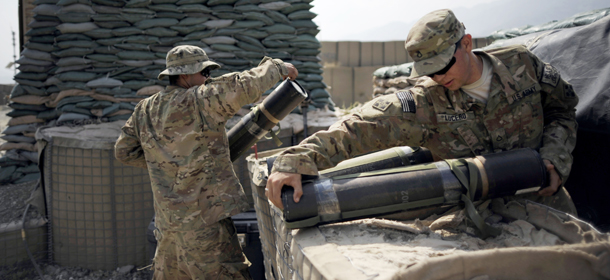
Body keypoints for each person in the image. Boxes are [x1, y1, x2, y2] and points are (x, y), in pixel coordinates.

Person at [266, 9, 579, 215]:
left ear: (467, 44)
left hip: (545, 202)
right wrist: (294, 161)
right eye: (430, 71)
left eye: (444, 66)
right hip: (480, 219)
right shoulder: (423, 101)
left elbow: (562, 111)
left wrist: (554, 156)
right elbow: (358, 127)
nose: (439, 77)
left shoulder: (521, 65)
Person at [114, 45, 298, 279]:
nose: (207, 79)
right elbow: (241, 85)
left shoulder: (145, 109)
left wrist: (166, 162)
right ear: (184, 76)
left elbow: (124, 151)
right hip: (206, 229)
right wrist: (278, 67)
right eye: (204, 73)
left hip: (168, 230)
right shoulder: (199, 100)